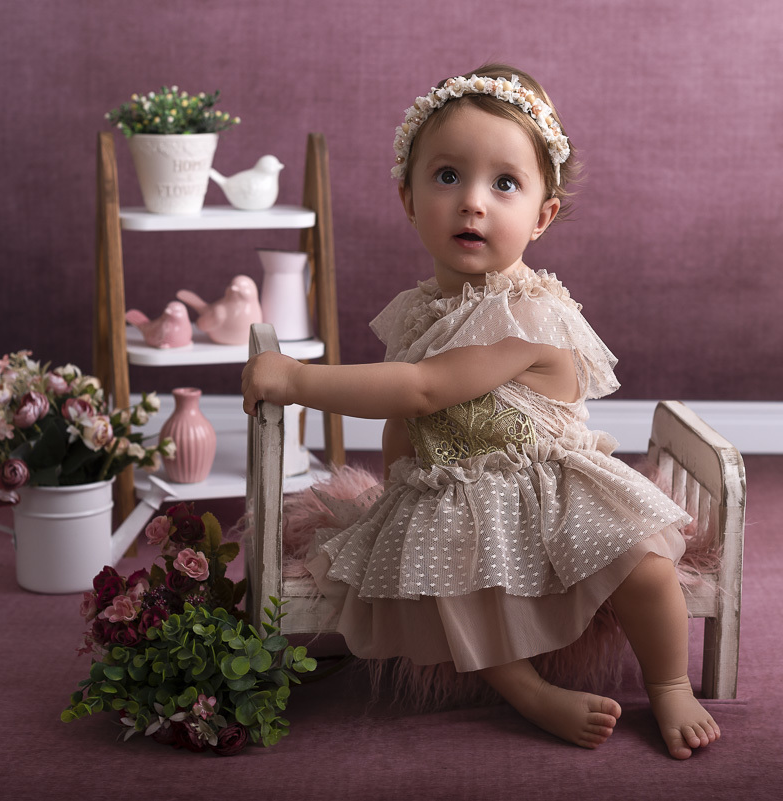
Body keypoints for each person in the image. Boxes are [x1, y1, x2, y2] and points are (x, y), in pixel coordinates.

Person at [242, 63, 720, 759]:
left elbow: (423, 389)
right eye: (447, 176)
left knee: (642, 566)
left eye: (505, 183)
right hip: (456, 492)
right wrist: (401, 479)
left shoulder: (526, 313)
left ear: (542, 215)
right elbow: (409, 417)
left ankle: (671, 681)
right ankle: (526, 691)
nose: (473, 202)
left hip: (549, 486)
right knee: (442, 583)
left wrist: (294, 377)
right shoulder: (422, 310)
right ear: (407, 198)